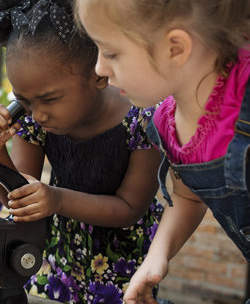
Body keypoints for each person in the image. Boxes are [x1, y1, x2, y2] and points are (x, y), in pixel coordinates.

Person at [0, 0, 164, 302]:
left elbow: (130, 208)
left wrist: (56, 198)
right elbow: (18, 197)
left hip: (122, 265)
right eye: (24, 100)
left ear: (99, 74)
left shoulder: (145, 118)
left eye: (49, 99)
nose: (37, 114)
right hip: (54, 257)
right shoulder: (34, 116)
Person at [76, 0, 250, 303]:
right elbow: (188, 194)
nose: (99, 69)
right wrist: (158, 254)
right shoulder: (166, 123)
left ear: (175, 49)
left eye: (112, 53)